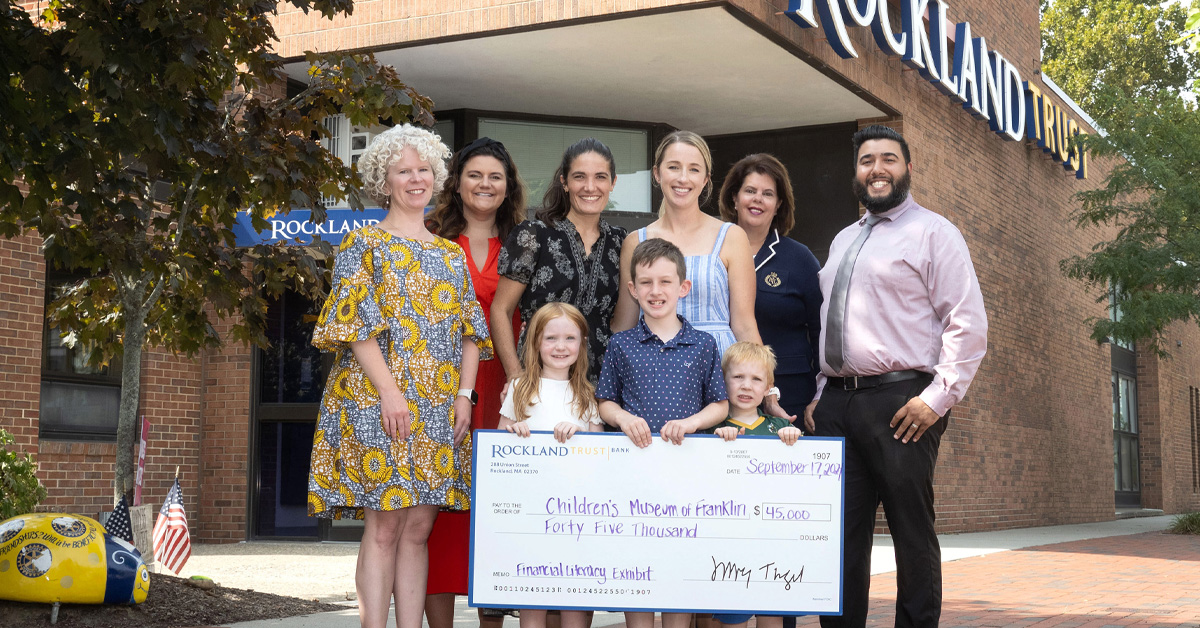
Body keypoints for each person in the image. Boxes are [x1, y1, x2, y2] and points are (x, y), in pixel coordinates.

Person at [307, 124, 493, 628]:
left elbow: (472, 334)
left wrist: (464, 397)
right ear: (383, 181)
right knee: (386, 526)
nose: (416, 179)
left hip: (437, 406)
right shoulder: (362, 243)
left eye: (423, 169)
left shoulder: (450, 254)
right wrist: (390, 393)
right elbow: (353, 326)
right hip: (377, 400)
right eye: (403, 171)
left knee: (418, 529)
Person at [803, 125, 987, 628]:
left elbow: (967, 323)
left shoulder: (935, 233)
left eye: (889, 158)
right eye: (867, 160)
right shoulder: (843, 239)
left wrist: (937, 398)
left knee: (910, 531)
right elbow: (831, 320)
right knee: (840, 536)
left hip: (904, 401)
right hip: (839, 403)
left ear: (908, 168)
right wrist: (823, 391)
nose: (877, 169)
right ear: (855, 173)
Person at [596, 238, 728, 628]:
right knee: (637, 560)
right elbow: (604, 401)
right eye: (646, 282)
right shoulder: (621, 345)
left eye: (666, 282)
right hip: (635, 473)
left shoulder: (703, 344)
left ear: (683, 287)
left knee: (679, 560)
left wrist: (692, 423)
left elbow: (719, 404)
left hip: (687, 473)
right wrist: (622, 419)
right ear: (633, 289)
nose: (656, 291)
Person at [422, 137, 525, 628]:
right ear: (457, 183)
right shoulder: (430, 237)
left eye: (495, 177)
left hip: (507, 385)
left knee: (498, 511)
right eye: (475, 175)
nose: (485, 184)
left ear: (508, 188)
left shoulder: (525, 245)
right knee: (438, 513)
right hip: (446, 389)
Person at [612, 130, 759, 358]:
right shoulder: (635, 242)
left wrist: (766, 384)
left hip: (719, 365)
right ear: (657, 174)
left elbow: (745, 325)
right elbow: (625, 325)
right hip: (654, 367)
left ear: (705, 179)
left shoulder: (732, 237)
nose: (683, 178)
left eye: (693, 169)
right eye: (673, 167)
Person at [493, 138, 628, 387]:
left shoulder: (622, 242)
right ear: (564, 182)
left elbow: (621, 324)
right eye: (579, 177)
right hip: (538, 379)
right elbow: (501, 310)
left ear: (613, 182)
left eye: (600, 177)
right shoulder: (533, 235)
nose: (590, 187)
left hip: (601, 385)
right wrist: (514, 375)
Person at [718, 154, 822, 420]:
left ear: (778, 205)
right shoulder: (712, 251)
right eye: (750, 191)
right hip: (720, 388)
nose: (757, 199)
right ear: (734, 197)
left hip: (791, 394)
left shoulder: (800, 259)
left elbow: (821, 330)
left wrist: (822, 393)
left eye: (767, 194)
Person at [710, 341, 802, 628]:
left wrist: (793, 440)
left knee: (770, 610)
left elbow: (801, 477)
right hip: (730, 541)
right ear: (722, 380)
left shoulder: (777, 428)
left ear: (768, 388)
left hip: (769, 537)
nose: (746, 386)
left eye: (756, 379)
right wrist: (717, 439)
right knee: (732, 613)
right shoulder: (712, 427)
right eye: (737, 377)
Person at [499, 302, 602, 445]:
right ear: (536, 342)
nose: (560, 347)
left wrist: (581, 436)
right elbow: (498, 444)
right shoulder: (519, 387)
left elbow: (600, 450)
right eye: (551, 338)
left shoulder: (588, 394)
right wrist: (512, 434)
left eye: (570, 338)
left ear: (582, 343)